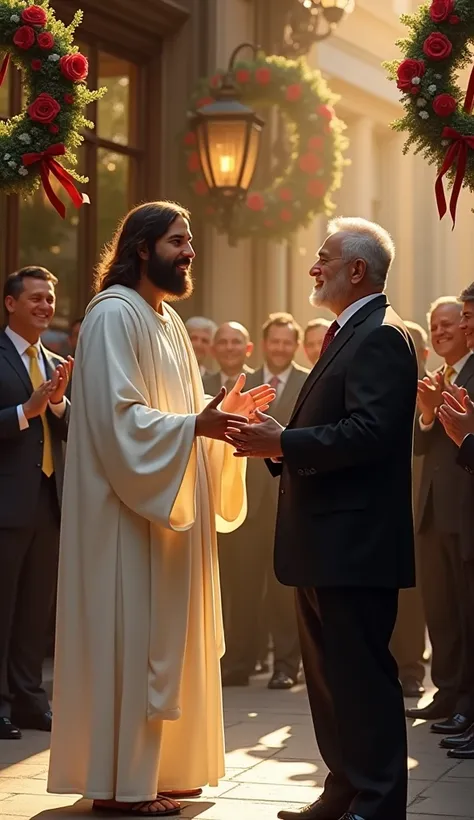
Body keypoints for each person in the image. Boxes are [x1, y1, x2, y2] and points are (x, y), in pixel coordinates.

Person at [47, 201, 275, 817]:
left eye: (191, 239)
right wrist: (194, 425)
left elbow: (181, 405)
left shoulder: (167, 319)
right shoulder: (112, 315)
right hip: (126, 515)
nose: (190, 250)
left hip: (169, 509)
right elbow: (119, 418)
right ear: (142, 247)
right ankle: (123, 785)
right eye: (179, 240)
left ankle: (167, 769)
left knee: (169, 639)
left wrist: (224, 416)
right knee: (133, 636)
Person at [228, 217, 417, 820]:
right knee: (331, 681)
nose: (314, 267)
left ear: (356, 270)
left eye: (324, 258)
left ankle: (378, 801)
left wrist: (285, 442)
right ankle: (345, 791)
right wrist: (276, 444)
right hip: (325, 540)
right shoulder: (348, 332)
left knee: (361, 679)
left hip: (355, 544)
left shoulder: (382, 335)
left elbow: (372, 432)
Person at [0, 266, 72, 740]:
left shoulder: (54, 362)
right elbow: (22, 417)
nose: (45, 306)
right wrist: (25, 412)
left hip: (49, 504)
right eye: (35, 298)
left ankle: (29, 701)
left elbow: (70, 430)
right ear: (10, 303)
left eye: (49, 299)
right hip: (5, 506)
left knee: (34, 612)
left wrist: (61, 405)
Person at [220, 313, 309, 690]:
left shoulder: (309, 383)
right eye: (274, 341)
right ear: (263, 344)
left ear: (296, 346)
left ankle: (286, 666)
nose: (280, 348)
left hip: (287, 502)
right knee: (241, 588)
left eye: (287, 342)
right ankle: (237, 663)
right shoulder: (243, 383)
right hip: (245, 502)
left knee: (282, 591)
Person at [405, 297, 474, 734]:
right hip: (431, 510)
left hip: (463, 510)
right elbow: (420, 444)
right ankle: (445, 694)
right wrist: (427, 412)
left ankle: (466, 700)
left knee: (466, 613)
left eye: (449, 323)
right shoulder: (436, 377)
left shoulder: (471, 370)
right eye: (434, 326)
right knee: (441, 612)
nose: (441, 331)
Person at [390, 320, 428, 699]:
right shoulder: (383, 387)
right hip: (384, 506)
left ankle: (412, 670)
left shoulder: (431, 391)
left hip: (420, 509)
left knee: (412, 598)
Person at [203, 321, 254, 395]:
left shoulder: (262, 383)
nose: (229, 348)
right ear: (213, 350)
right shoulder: (201, 386)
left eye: (236, 342)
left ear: (249, 348)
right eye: (222, 342)